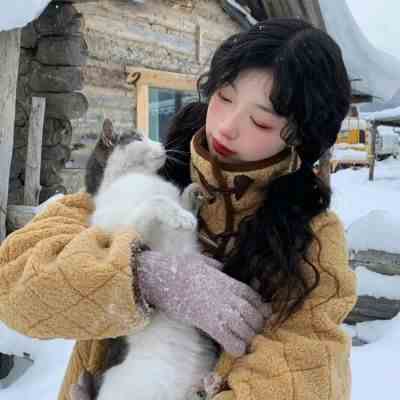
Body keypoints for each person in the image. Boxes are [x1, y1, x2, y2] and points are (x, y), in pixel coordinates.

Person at [0, 18, 356, 400]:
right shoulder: (146, 171)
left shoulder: (312, 237)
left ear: (299, 137)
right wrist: (143, 275)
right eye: (224, 97)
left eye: (260, 121)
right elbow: (14, 285)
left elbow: (303, 373)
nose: (226, 127)